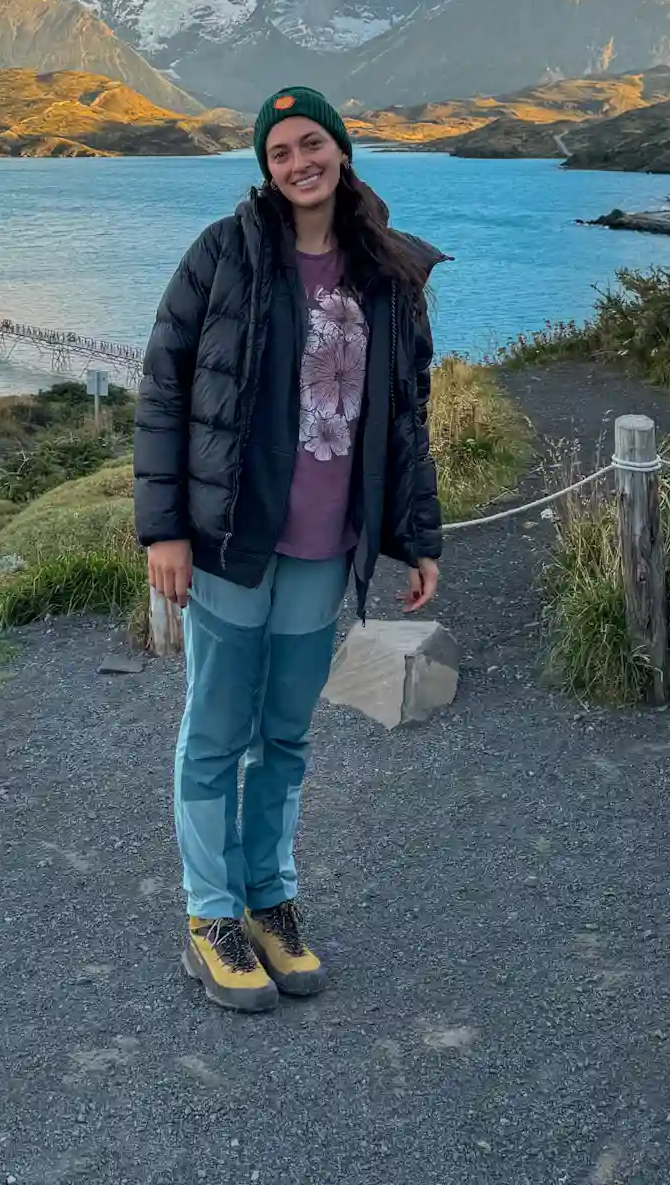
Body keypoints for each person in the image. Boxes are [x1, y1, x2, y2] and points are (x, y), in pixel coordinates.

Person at [134, 84, 445, 1014]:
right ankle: (210, 912)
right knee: (216, 732)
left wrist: (416, 537)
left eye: (313, 144)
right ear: (266, 169)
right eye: (281, 152)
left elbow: (406, 420)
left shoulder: (387, 271)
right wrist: (165, 530)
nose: (300, 163)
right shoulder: (223, 255)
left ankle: (270, 897)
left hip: (325, 545)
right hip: (233, 543)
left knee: (286, 736)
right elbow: (164, 390)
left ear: (342, 152)